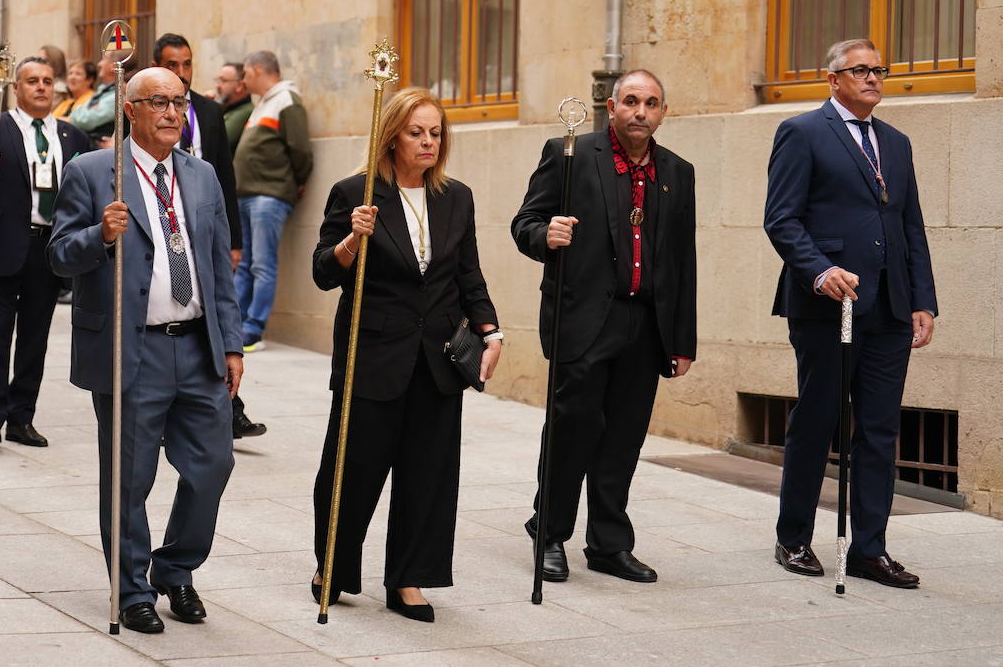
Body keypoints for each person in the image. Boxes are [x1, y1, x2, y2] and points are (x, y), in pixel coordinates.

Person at [48, 66, 242, 634]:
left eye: (179, 102)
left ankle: (175, 568)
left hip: (199, 345)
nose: (172, 113)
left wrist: (231, 344)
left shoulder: (202, 177)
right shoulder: (91, 172)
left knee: (213, 465)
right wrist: (99, 236)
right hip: (130, 349)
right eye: (158, 102)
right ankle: (131, 588)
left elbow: (217, 268)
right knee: (129, 480)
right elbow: (59, 256)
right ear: (128, 108)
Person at [309, 87, 499, 621]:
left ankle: (410, 580)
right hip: (373, 351)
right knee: (353, 467)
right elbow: (323, 273)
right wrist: (351, 240)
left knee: (429, 471)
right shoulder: (356, 191)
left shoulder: (456, 197)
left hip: (439, 356)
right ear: (392, 135)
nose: (428, 142)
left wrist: (492, 330)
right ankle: (334, 567)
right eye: (417, 132)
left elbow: (467, 273)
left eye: (436, 132)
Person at [510, 69, 697, 584]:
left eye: (652, 103)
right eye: (631, 102)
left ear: (664, 112)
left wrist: (682, 339)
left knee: (624, 436)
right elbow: (523, 223)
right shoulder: (570, 153)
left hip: (646, 322)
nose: (641, 112)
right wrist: (545, 233)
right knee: (572, 430)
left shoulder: (678, 171)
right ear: (612, 108)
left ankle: (609, 544)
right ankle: (549, 533)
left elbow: (684, 261)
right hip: (585, 318)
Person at [763, 39, 936, 590]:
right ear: (832, 78)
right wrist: (819, 270)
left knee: (881, 429)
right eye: (859, 69)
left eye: (877, 69)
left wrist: (922, 299)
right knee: (817, 420)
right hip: (828, 303)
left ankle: (869, 548)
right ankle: (793, 537)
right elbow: (782, 219)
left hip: (888, 306)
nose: (872, 77)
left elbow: (911, 225)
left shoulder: (897, 143)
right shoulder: (803, 132)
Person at [0, 57, 90, 447]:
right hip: (4, 244)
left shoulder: (72, 136)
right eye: (32, 81)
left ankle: (22, 417)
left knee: (35, 338)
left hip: (49, 246)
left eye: (47, 81)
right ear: (16, 88)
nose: (40, 87)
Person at [152, 34, 261, 438]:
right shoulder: (149, 109)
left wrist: (233, 240)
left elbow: (226, 178)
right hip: (164, 218)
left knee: (218, 311)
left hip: (204, 222)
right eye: (172, 64)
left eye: (187, 64)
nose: (181, 73)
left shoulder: (211, 111)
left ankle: (231, 404)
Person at [234, 50, 312, 351]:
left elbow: (301, 151)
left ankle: (253, 328)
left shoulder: (286, 100)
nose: (243, 79)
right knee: (245, 265)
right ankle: (236, 324)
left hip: (268, 196)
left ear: (256, 70)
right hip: (249, 195)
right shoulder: (263, 104)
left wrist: (297, 181)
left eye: (245, 72)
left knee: (262, 265)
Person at [58, 55, 117, 144]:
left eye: (78, 74)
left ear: (89, 80)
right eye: (70, 73)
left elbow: (83, 120)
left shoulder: (114, 95)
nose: (72, 77)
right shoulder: (67, 102)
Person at [214, 61, 251, 153]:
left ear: (239, 85)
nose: (217, 86)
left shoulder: (245, 111)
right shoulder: (227, 109)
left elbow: (215, 140)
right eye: (217, 80)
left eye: (223, 81)